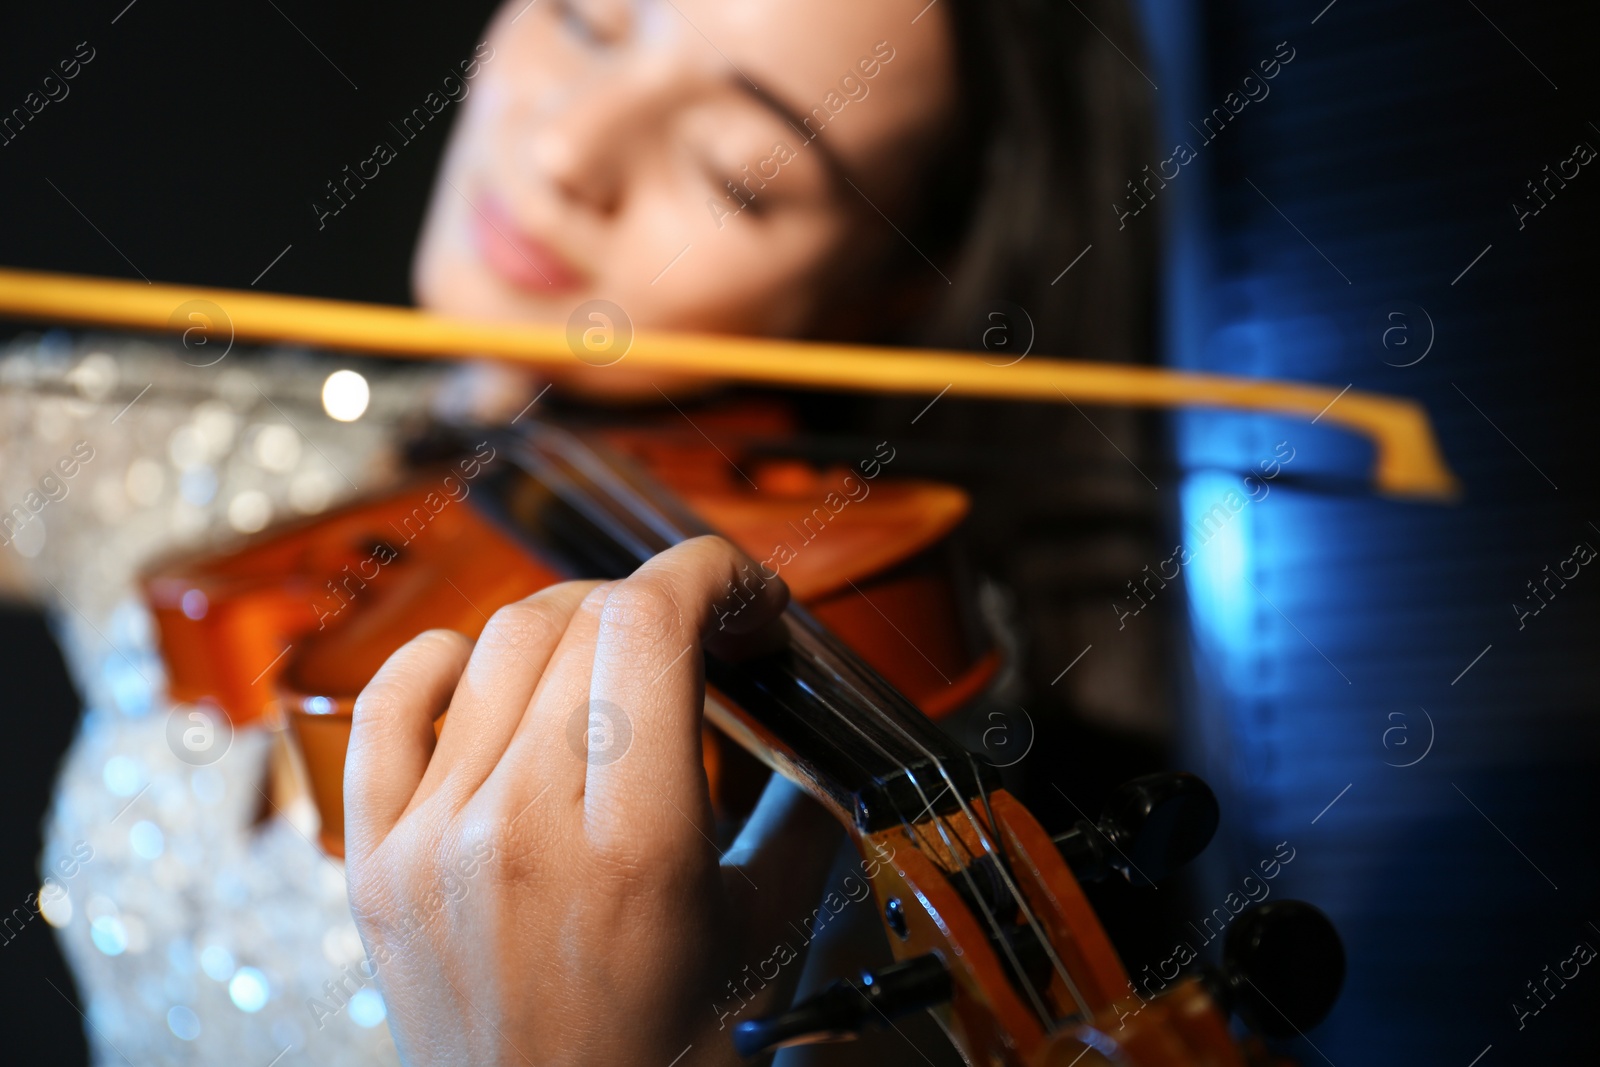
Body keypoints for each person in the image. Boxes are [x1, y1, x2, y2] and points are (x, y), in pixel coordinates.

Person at [346, 0, 1161, 1063]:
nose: (563, 151)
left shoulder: (897, 659)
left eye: (739, 173)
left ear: (886, 291)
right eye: (585, 19)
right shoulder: (214, 467)